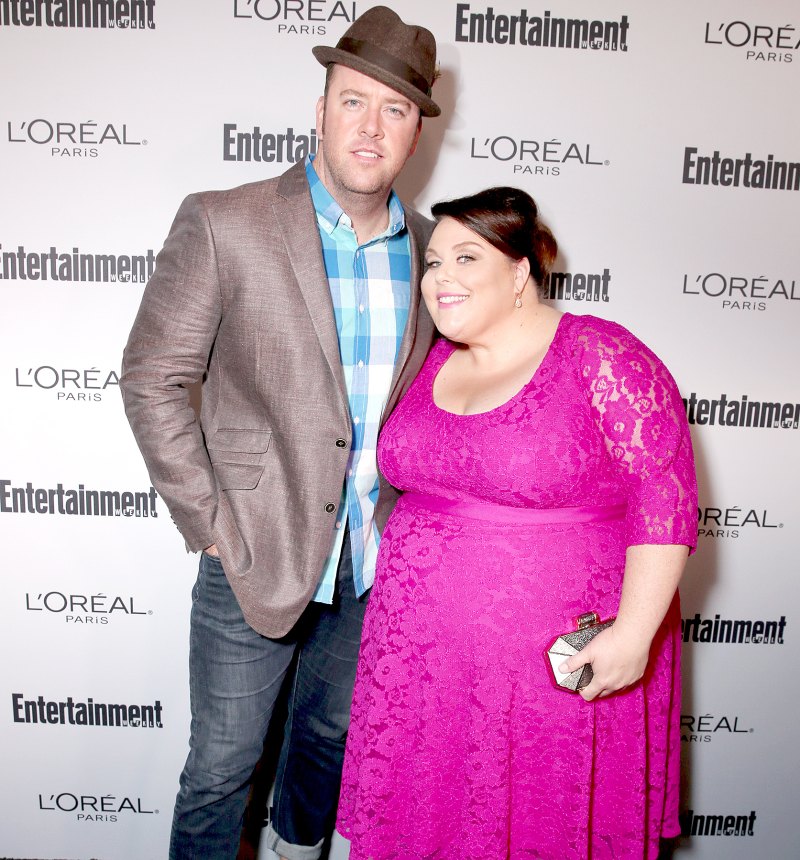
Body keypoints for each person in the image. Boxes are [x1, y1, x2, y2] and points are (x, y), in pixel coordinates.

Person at [120, 7, 440, 859]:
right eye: (353, 101)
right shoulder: (226, 220)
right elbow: (154, 375)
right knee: (221, 770)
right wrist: (213, 527)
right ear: (320, 107)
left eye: (395, 110)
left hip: (374, 561)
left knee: (326, 752)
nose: (370, 128)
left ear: (416, 131)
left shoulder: (441, 252)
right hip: (252, 552)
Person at [337, 186, 697, 859]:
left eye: (465, 259)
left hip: (544, 666)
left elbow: (665, 492)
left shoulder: (598, 352)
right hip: (420, 660)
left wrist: (635, 633)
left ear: (520, 270)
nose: (441, 278)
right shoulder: (434, 360)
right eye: (434, 262)